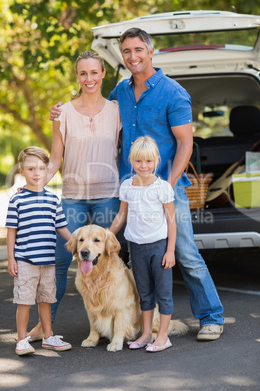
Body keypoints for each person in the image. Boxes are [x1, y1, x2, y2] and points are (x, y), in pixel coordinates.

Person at [50, 28, 224, 341]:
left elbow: (185, 143)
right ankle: (138, 324)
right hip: (128, 189)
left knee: (183, 252)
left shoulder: (173, 93)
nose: (133, 56)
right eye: (127, 51)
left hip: (166, 189)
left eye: (138, 50)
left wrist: (167, 186)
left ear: (150, 52)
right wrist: (63, 112)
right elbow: (95, 109)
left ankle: (211, 316)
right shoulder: (121, 91)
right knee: (131, 256)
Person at [28, 51, 127, 342]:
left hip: (108, 195)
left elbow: (126, 152)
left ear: (102, 74)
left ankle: (117, 321)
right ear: (77, 76)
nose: (89, 79)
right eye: (83, 73)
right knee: (58, 261)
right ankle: (44, 326)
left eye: (94, 72)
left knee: (111, 261)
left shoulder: (117, 110)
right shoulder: (64, 114)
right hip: (72, 197)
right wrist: (37, 184)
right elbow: (56, 158)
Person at [110, 136, 176, 352]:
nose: (144, 166)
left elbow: (171, 221)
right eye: (139, 161)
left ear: (157, 160)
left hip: (159, 248)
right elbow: (121, 216)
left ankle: (163, 336)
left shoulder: (162, 187)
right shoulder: (127, 186)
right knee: (144, 293)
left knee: (163, 293)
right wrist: (107, 235)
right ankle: (147, 334)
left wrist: (170, 250)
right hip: (136, 248)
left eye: (148, 161)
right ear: (130, 160)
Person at [6, 146, 72, 355]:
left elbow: (61, 227)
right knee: (24, 301)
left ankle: (48, 336)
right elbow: (11, 232)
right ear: (22, 171)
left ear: (47, 171)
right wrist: (11, 259)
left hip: (47, 261)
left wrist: (78, 244)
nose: (36, 173)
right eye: (31, 168)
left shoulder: (53, 200)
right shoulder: (17, 200)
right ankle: (22, 339)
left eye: (41, 168)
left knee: (46, 299)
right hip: (25, 260)